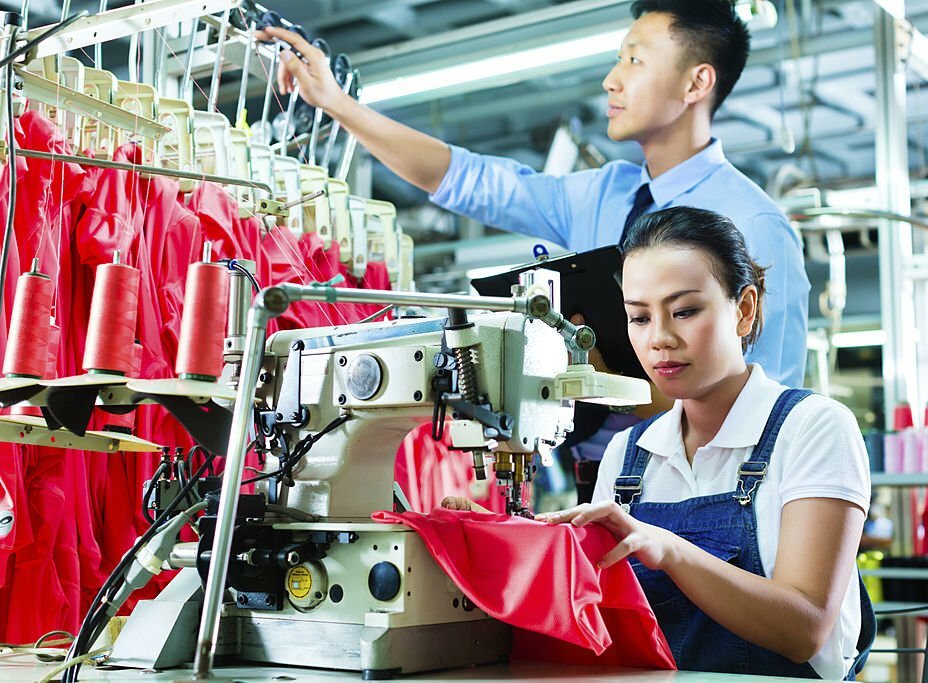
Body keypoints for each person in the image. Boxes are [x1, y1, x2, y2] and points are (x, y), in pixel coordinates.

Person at [259, 0, 810, 501]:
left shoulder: (753, 224)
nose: (612, 80)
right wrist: (336, 104)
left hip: (711, 489)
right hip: (602, 483)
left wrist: (622, 391)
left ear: (697, 83)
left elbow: (768, 403)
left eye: (635, 61)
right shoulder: (602, 192)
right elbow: (472, 180)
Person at [444, 206, 874, 679]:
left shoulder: (813, 428)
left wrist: (669, 549)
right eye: (639, 318)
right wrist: (498, 546)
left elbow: (805, 629)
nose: (660, 339)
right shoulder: (628, 454)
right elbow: (598, 612)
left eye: (684, 311)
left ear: (744, 309)